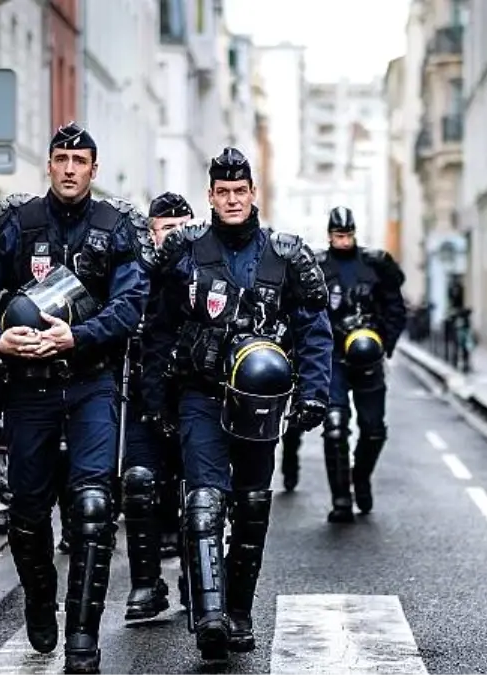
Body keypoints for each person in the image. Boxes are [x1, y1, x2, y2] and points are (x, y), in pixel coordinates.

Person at [0, 122, 149, 672]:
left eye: (80, 160)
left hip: (91, 384)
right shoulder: (19, 224)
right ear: (48, 165)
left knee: (92, 508)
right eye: (61, 158)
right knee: (27, 512)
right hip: (28, 389)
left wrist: (78, 335)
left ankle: (83, 644)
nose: (70, 168)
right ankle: (40, 603)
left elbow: (131, 304)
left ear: (94, 168)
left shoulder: (116, 228)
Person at [142, 147, 332, 660]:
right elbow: (159, 328)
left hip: (260, 405)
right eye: (222, 193)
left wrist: (315, 393)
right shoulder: (183, 250)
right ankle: (209, 616)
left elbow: (315, 327)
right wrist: (156, 398)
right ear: (210, 196)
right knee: (204, 502)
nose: (231, 200)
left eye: (239, 192)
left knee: (250, 509)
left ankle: (240, 612)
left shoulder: (285, 254)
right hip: (199, 394)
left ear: (253, 195)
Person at [279, 206, 407, 521]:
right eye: (338, 235)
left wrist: (384, 344)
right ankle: (340, 499)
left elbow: (394, 307)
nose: (343, 240)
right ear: (329, 235)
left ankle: (359, 478)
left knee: (374, 430)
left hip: (367, 356)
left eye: (348, 235)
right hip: (332, 356)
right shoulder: (317, 267)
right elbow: (300, 310)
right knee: (334, 427)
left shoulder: (374, 265)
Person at [120, 191, 192, 622]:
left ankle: (195, 578)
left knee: (200, 494)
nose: (174, 236)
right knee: (140, 483)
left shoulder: (205, 269)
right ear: (152, 232)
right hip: (145, 398)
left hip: (195, 399)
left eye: (182, 227)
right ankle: (146, 584)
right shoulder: (135, 275)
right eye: (166, 229)